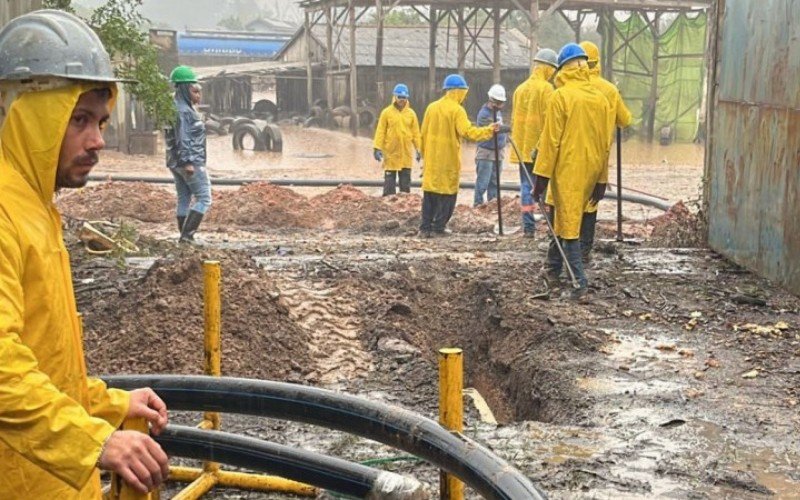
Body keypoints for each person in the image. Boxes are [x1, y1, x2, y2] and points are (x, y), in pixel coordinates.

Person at [0, 10, 169, 497]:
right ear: (31, 117)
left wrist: (107, 405)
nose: (98, 141)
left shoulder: (34, 206)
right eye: (78, 120)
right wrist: (94, 439)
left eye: (100, 121)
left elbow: (44, 357)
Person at [532, 43, 611, 300]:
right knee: (563, 217)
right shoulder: (600, 99)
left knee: (568, 224)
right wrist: (602, 178)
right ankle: (552, 269)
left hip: (567, 170)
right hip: (591, 169)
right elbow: (605, 142)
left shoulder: (560, 96)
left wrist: (540, 178)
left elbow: (550, 141)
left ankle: (579, 283)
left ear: (562, 68)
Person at [419, 74, 501, 237]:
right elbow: (468, 132)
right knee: (448, 194)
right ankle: (439, 227)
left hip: (432, 160)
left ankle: (425, 228)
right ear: (458, 91)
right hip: (448, 159)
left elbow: (423, 134)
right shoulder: (457, 110)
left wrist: (424, 156)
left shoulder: (431, 107)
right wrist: (489, 130)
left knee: (430, 193)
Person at [578, 41, 633, 263]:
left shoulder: (562, 89)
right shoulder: (608, 90)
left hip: (569, 156)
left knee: (568, 200)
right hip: (598, 156)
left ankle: (564, 249)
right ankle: (583, 250)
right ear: (597, 61)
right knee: (591, 201)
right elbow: (625, 120)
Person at [509, 48, 559, 237]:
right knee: (544, 189)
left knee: (525, 187)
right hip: (539, 150)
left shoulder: (520, 89)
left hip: (522, 149)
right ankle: (550, 228)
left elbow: (514, 120)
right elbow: (550, 121)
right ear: (548, 68)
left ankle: (528, 228)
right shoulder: (546, 89)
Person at [165, 65, 211, 243]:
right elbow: (183, 138)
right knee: (204, 198)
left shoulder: (175, 107)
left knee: (184, 197)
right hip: (189, 161)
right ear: (184, 89)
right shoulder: (183, 111)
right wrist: (188, 162)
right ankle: (187, 236)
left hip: (174, 162)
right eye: (195, 91)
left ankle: (183, 236)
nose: (198, 96)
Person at [373, 83, 421, 196]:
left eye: (404, 98)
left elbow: (416, 134)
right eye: (400, 97)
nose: (402, 100)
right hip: (391, 154)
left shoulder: (411, 114)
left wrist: (419, 149)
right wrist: (377, 148)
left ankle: (404, 210)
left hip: (406, 155)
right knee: (389, 187)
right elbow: (380, 131)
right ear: (395, 97)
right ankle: (387, 208)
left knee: (405, 188)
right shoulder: (386, 113)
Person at [473, 84, 508, 207]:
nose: (501, 105)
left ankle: (492, 205)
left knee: (494, 182)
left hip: (498, 152)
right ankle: (478, 204)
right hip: (486, 152)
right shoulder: (484, 114)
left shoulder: (497, 112)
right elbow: (496, 129)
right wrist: (509, 128)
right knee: (483, 182)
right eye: (499, 102)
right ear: (492, 101)